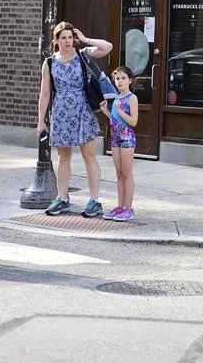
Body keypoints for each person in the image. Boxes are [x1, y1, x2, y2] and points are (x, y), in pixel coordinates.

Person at [36, 21, 113, 218]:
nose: (68, 41)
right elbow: (45, 94)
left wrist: (86, 39)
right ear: (57, 40)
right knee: (63, 157)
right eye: (64, 38)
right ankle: (62, 198)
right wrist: (41, 120)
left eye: (71, 37)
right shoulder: (50, 62)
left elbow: (107, 47)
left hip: (83, 110)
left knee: (89, 155)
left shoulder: (83, 55)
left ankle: (95, 200)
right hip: (61, 112)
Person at [102, 66, 138, 221]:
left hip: (127, 138)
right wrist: (106, 111)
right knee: (119, 174)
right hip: (115, 138)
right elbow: (115, 118)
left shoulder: (132, 98)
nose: (120, 81)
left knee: (126, 173)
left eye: (123, 78)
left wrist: (120, 110)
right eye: (117, 78)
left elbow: (133, 121)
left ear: (130, 80)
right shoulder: (116, 97)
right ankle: (120, 206)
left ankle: (128, 208)